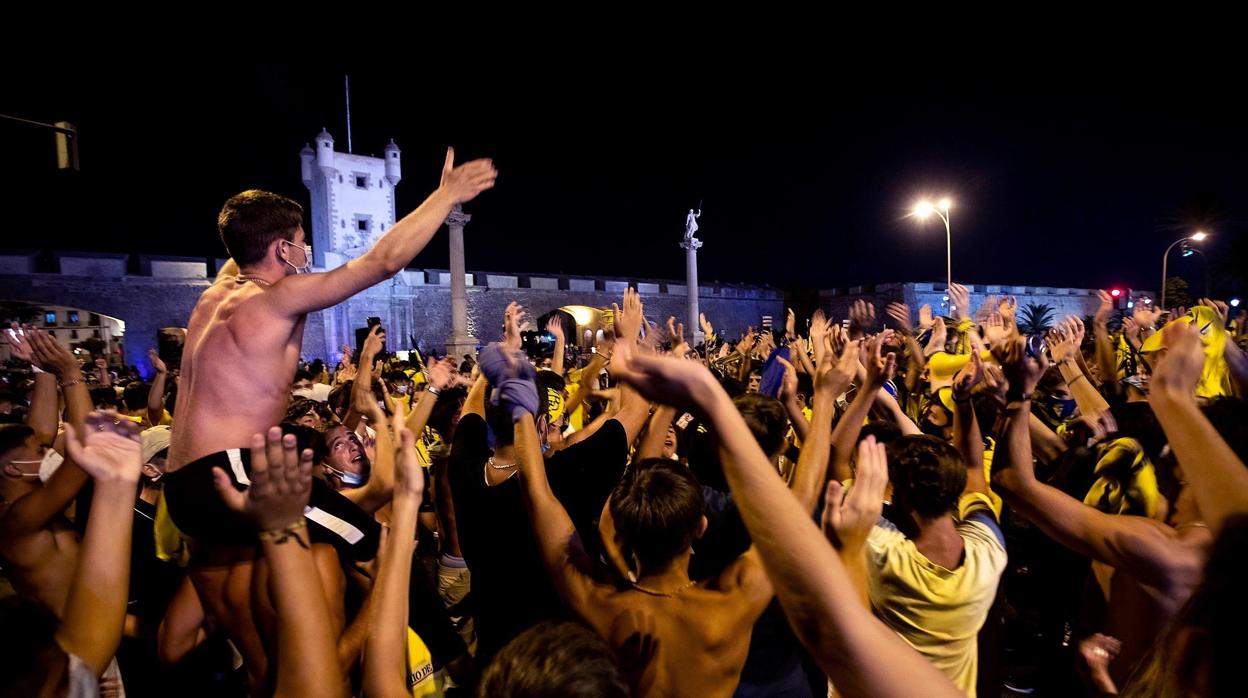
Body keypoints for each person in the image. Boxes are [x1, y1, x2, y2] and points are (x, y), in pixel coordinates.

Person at [160, 148, 495, 685]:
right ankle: (460, 664)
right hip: (231, 469)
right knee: (380, 550)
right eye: (300, 241)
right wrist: (446, 195)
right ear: (281, 249)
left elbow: (241, 235)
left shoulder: (218, 290)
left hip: (187, 485)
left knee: (248, 607)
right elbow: (381, 262)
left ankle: (269, 679)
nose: (309, 249)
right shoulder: (278, 298)